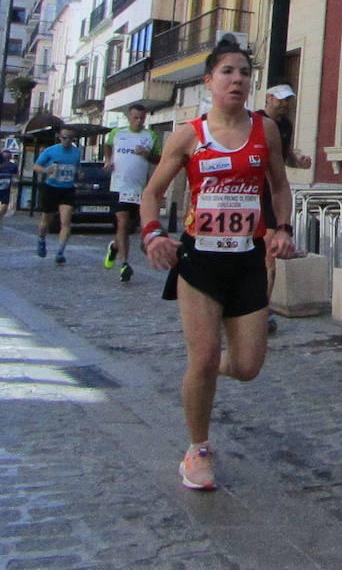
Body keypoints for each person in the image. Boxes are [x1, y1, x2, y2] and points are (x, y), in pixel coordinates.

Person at [139, 41, 296, 491]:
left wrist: (281, 227)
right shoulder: (189, 135)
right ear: (209, 81)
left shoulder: (265, 131)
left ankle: (201, 368)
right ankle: (197, 449)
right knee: (204, 357)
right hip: (199, 259)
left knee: (247, 366)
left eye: (245, 72)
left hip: (247, 260)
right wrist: (152, 233)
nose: (237, 79)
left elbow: (280, 185)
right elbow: (152, 192)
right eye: (227, 71)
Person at [260, 82, 311, 332]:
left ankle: (263, 308)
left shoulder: (286, 126)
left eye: (288, 99)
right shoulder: (254, 120)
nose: (284, 104)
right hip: (252, 192)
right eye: (280, 99)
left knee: (270, 255)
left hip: (273, 195)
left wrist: (298, 160)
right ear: (268, 98)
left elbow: (284, 155)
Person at [103, 104, 161, 284]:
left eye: (141, 118)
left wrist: (147, 154)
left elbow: (159, 159)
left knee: (130, 228)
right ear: (129, 117)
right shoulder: (117, 133)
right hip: (119, 186)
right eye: (135, 118)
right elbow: (107, 145)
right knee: (122, 223)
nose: (138, 121)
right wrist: (108, 160)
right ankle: (125, 264)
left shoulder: (150, 136)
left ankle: (114, 247)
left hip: (139, 189)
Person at [33, 127, 80, 263]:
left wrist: (79, 173)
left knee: (65, 221)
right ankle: (41, 238)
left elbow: (77, 168)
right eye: (64, 137)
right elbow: (36, 166)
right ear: (59, 137)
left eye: (70, 138)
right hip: (51, 188)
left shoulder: (76, 152)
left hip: (67, 189)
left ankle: (60, 251)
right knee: (46, 221)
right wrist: (46, 170)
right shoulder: (51, 151)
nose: (67, 140)